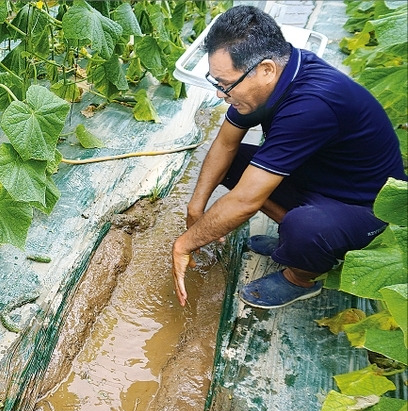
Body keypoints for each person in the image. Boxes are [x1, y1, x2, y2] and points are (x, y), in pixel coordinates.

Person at [172, 5, 407, 309]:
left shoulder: (312, 104)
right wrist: (196, 207)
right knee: (234, 164)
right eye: (217, 83)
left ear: (266, 69)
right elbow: (225, 145)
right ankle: (293, 243)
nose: (220, 94)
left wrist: (184, 244)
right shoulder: (268, 80)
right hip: (320, 177)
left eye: (225, 85)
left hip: (363, 206)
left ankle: (301, 276)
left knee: (306, 228)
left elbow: (246, 201)